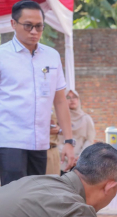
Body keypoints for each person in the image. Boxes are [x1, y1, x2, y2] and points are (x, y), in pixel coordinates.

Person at [0, 0, 76, 186]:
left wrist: (68, 141)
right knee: (14, 198)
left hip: (40, 143)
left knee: (35, 197)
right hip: (10, 142)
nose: (34, 32)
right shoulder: (2, 56)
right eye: (28, 26)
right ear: (13, 24)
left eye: (39, 26)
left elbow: (60, 102)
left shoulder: (52, 56)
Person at [57, 89, 96, 172]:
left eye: (74, 97)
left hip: (80, 164)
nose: (72, 100)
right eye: (68, 97)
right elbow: (55, 140)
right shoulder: (59, 119)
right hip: (61, 162)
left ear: (78, 100)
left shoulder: (86, 119)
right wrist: (68, 156)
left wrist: (80, 157)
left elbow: (89, 140)